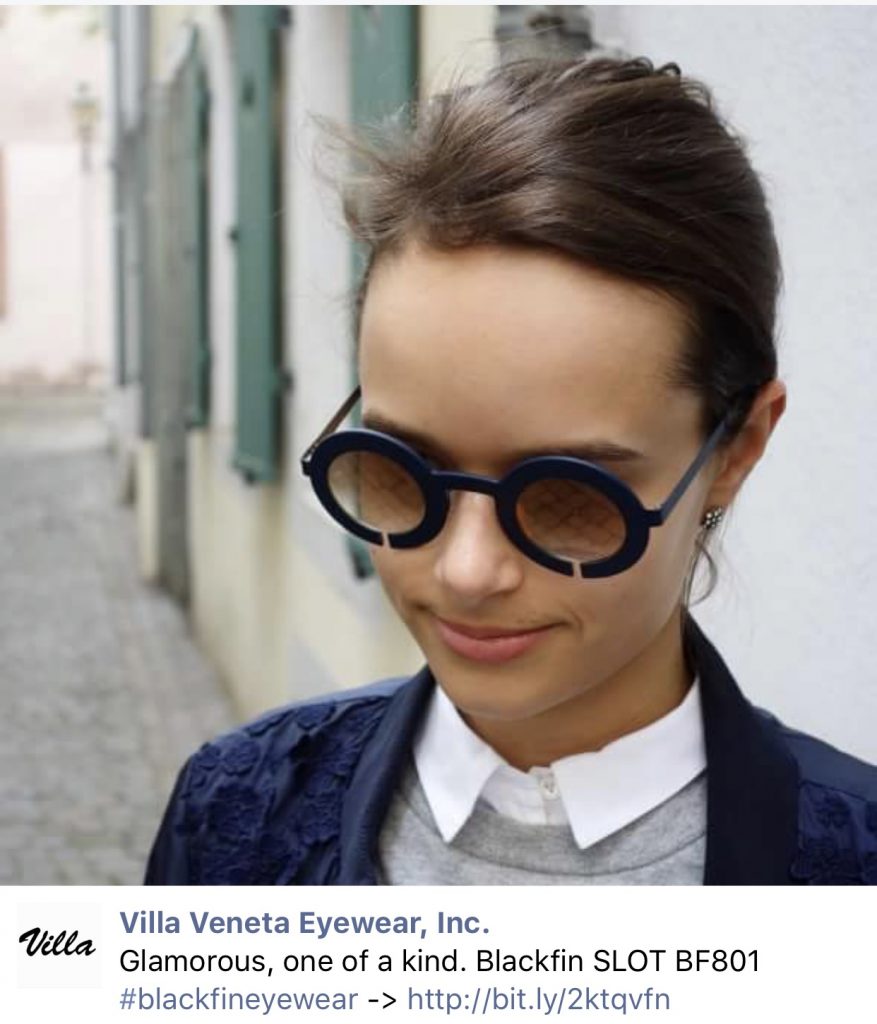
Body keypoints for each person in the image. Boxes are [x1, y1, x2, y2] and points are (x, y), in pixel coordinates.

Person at [145, 55, 877, 886]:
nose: (465, 572)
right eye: (400, 470)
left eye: (567, 494)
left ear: (735, 449)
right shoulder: (234, 813)